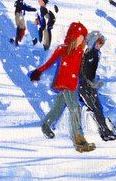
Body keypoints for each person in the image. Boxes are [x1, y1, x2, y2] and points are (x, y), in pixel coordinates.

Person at [28, 22, 95, 152]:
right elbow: (50, 62)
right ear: (73, 35)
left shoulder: (80, 52)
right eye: (78, 36)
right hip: (65, 84)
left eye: (82, 37)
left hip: (73, 84)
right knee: (75, 108)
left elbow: (80, 70)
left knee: (58, 107)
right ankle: (79, 140)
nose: (80, 39)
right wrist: (39, 71)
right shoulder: (63, 48)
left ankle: (46, 124)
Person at [78, 31, 116, 141]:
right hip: (87, 87)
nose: (100, 45)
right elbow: (86, 73)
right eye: (99, 42)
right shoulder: (92, 54)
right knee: (97, 109)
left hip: (85, 86)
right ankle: (105, 132)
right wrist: (94, 82)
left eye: (101, 43)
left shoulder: (89, 52)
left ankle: (104, 132)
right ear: (93, 42)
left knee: (97, 109)